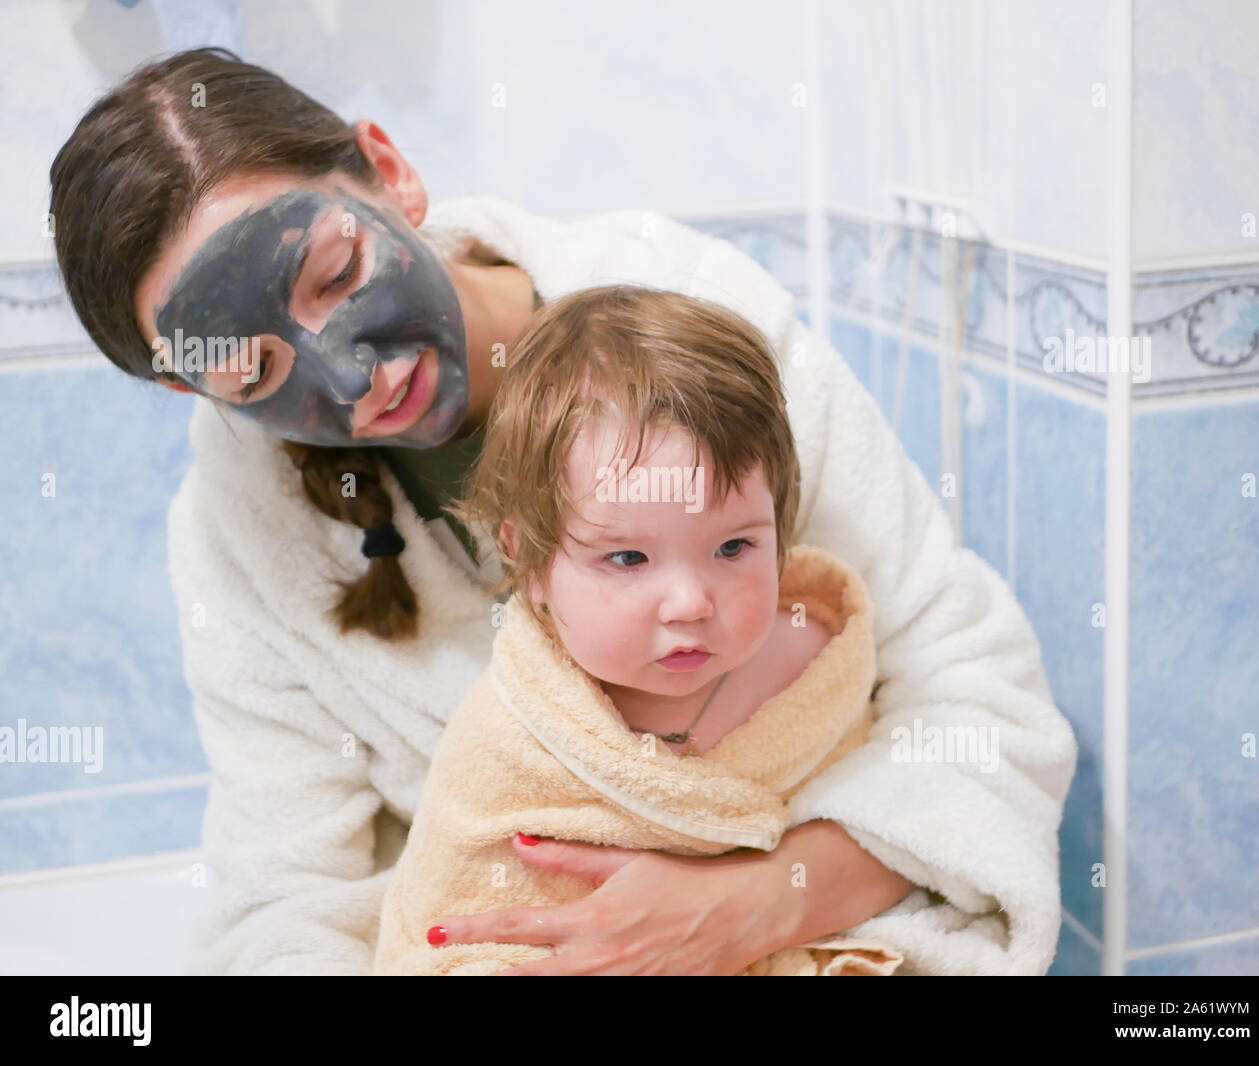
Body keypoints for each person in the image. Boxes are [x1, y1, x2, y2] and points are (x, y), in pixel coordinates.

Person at [48, 47, 1077, 976]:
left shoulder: (689, 321)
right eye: (252, 368)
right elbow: (284, 902)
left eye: (338, 274)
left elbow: (977, 701)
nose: (350, 373)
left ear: (388, 167)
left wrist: (757, 904)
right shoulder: (240, 529)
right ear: (194, 390)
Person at [374, 284, 904, 976]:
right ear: (528, 559)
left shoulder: (817, 660)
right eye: (627, 558)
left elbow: (894, 832)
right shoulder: (510, 746)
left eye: (734, 548)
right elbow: (449, 930)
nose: (689, 602)